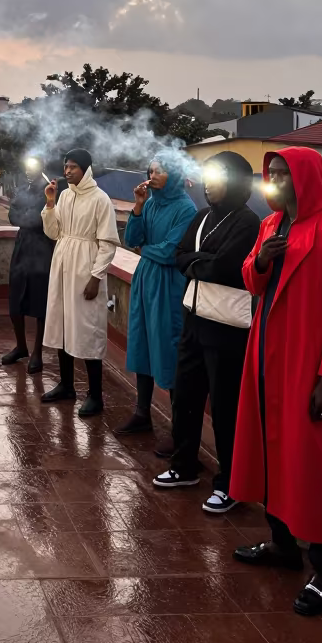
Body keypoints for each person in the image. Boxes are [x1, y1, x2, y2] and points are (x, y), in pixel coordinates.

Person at [231, 148, 322, 617]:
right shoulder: (270, 225)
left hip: (306, 361)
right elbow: (251, 282)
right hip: (266, 355)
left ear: (305, 177)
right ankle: (281, 544)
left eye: (283, 173)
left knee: (311, 466)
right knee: (270, 450)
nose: (275, 179)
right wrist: (261, 263)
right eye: (270, 173)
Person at [152, 152, 259, 511]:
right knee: (185, 397)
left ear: (236, 182)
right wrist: (201, 263)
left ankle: (229, 483)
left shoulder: (247, 221)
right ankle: (184, 466)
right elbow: (180, 257)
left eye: (217, 177)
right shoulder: (201, 218)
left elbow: (227, 267)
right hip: (194, 320)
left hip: (226, 327)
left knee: (226, 408)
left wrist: (197, 264)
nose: (208, 184)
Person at [114, 156, 197, 439]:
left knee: (168, 348)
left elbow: (170, 252)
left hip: (169, 284)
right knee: (142, 344)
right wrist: (137, 205)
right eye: (151, 170)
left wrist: (145, 249)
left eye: (160, 170)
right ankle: (141, 413)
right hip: (145, 280)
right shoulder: (149, 203)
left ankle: (180, 429)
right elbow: (132, 240)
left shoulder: (186, 208)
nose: (153, 174)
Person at [39, 150, 120, 417]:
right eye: (65, 166)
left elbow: (108, 243)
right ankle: (66, 385)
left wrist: (96, 277)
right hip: (63, 264)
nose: (67, 171)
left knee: (87, 329)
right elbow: (53, 232)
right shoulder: (64, 195)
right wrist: (50, 204)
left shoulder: (100, 199)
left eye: (72, 167)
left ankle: (95, 395)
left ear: (85, 169)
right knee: (63, 324)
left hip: (85, 268)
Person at [1, 159, 59, 374]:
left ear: (41, 168)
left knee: (40, 303)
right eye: (26, 167)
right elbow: (11, 216)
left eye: (32, 167)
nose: (27, 171)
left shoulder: (50, 190)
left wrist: (27, 218)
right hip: (22, 246)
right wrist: (28, 218)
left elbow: (43, 221)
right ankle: (21, 346)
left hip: (42, 248)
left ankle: (37, 353)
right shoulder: (21, 189)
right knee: (15, 300)